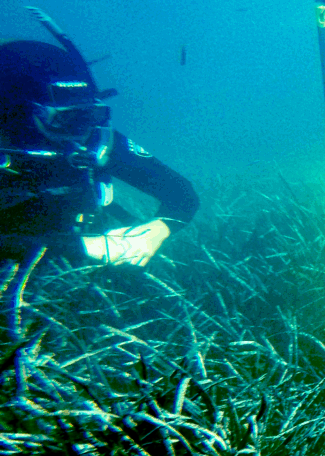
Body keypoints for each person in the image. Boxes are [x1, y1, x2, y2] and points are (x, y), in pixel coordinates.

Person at [1, 11, 199, 268]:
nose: (81, 131)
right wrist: (79, 248)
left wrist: (158, 229)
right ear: (20, 115)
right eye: (63, 119)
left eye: (91, 114)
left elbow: (180, 193)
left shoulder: (92, 134)